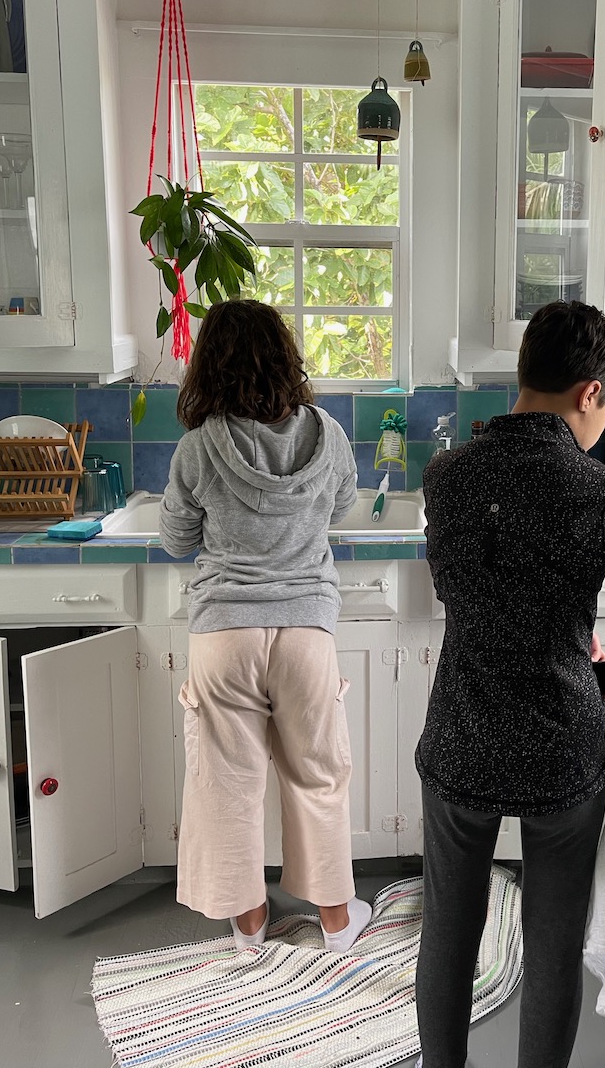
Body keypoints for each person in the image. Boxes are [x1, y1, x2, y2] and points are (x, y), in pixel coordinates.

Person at [414, 300, 605, 1068]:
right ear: (590, 393)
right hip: (561, 752)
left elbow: (482, 597)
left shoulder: (446, 476)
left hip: (461, 734)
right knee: (553, 948)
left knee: (447, 933)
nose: (601, 432)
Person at [159, 299, 372, 954]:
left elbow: (176, 539)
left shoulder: (198, 447)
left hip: (225, 632)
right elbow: (343, 506)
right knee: (318, 775)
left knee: (228, 783)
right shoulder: (329, 434)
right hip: (306, 628)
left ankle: (249, 929)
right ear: (285, 358)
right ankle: (336, 923)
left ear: (209, 367)